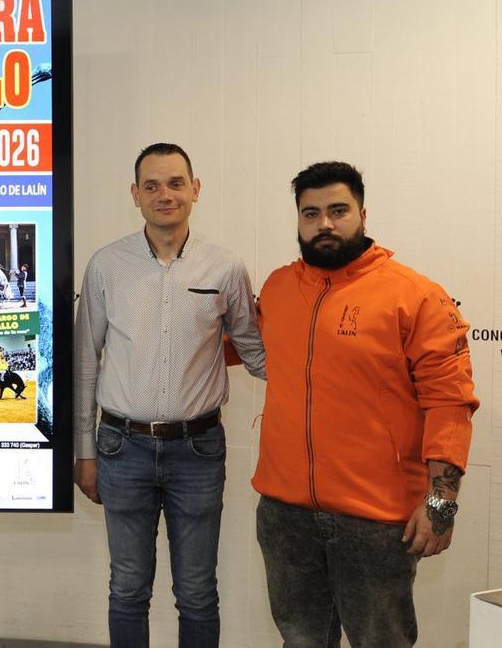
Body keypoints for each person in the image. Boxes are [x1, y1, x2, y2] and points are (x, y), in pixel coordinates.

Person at [253, 162, 477, 646]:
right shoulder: (275, 289)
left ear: (363, 213)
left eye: (338, 210)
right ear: (297, 220)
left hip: (376, 522)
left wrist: (441, 503)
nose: (325, 224)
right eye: (310, 213)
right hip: (285, 516)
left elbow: (450, 404)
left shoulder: (415, 296)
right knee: (301, 640)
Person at [74, 143, 265, 647]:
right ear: (135, 195)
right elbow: (86, 365)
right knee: (128, 589)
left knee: (198, 592)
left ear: (195, 190)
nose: (165, 195)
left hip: (197, 452)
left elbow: (255, 352)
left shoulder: (226, 268)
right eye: (152, 185)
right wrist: (85, 453)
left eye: (176, 183)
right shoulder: (105, 266)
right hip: (121, 448)